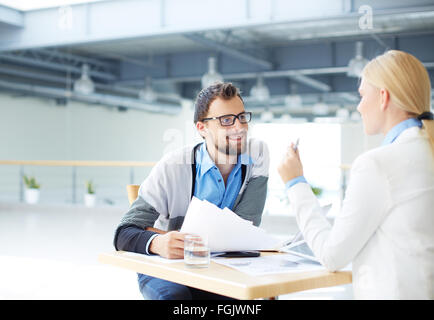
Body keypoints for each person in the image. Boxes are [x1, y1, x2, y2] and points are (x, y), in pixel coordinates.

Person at [278, 50, 434, 299]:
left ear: (383, 97)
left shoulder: (377, 165)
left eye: (362, 95)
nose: (359, 106)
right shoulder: (426, 150)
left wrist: (295, 182)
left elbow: (331, 256)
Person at [114, 82, 269, 300]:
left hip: (220, 264)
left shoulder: (257, 155)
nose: (239, 127)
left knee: (249, 296)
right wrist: (158, 242)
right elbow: (123, 233)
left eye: (242, 117)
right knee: (176, 298)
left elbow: (245, 230)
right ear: (201, 128)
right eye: (226, 120)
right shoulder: (173, 166)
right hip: (168, 264)